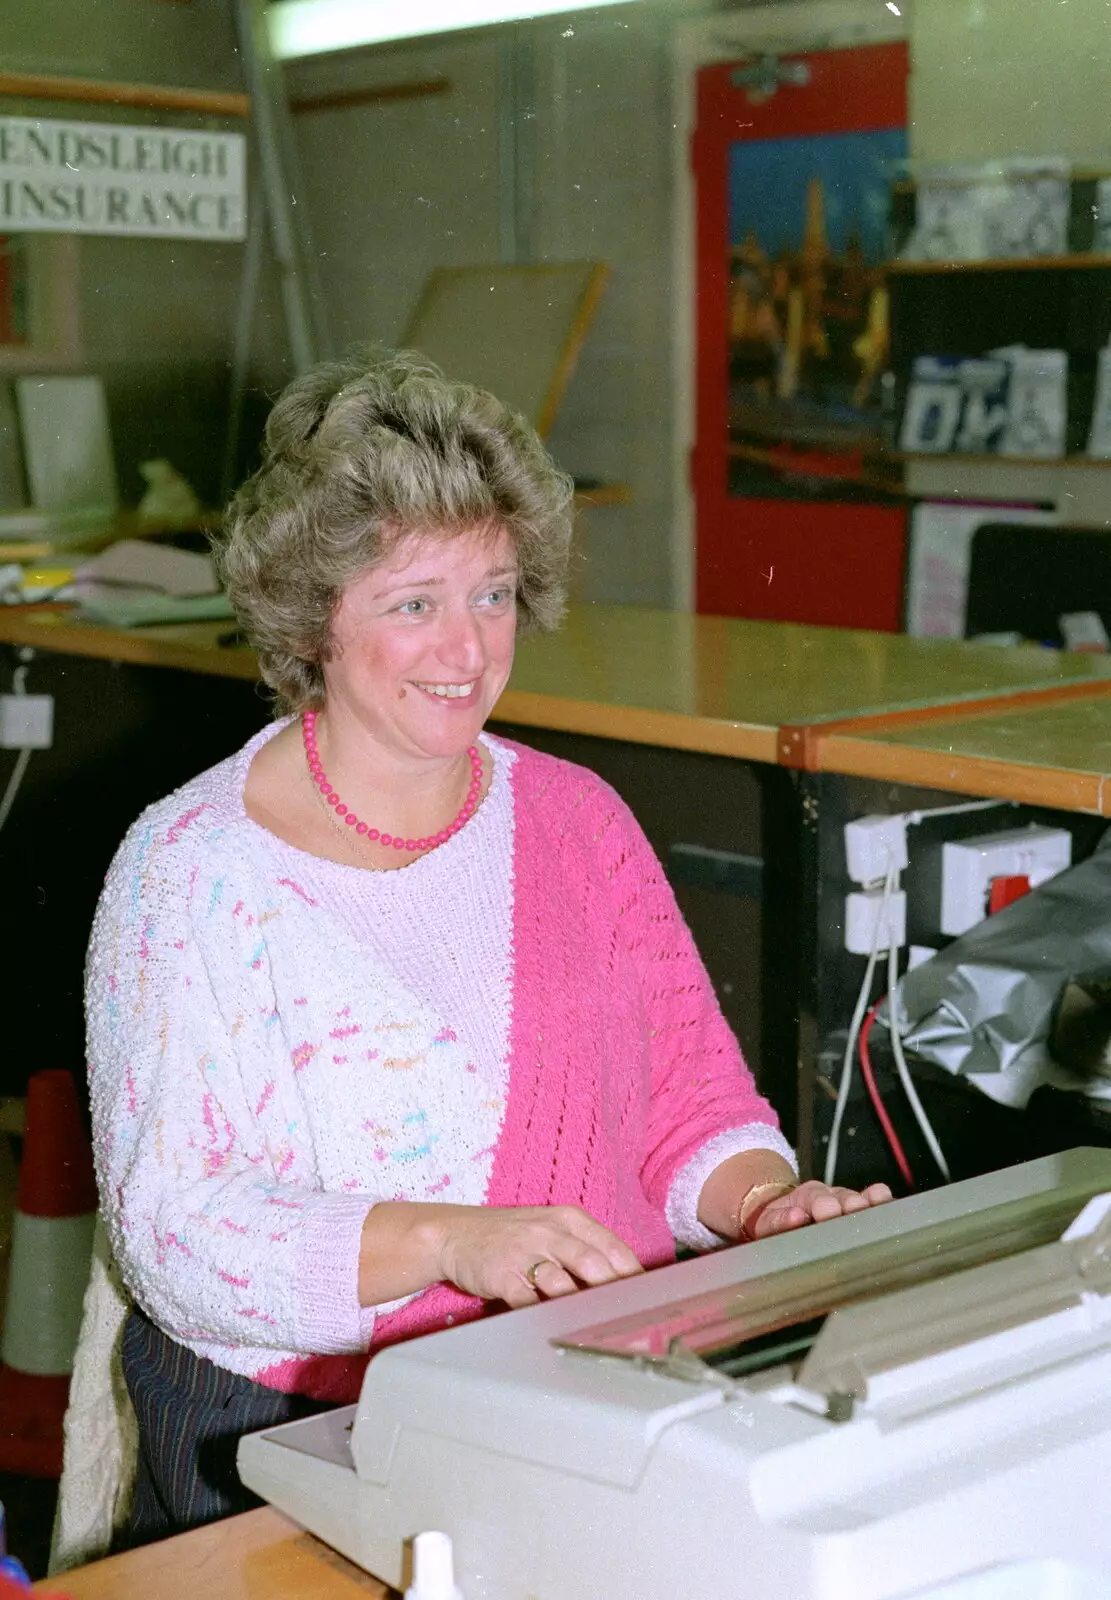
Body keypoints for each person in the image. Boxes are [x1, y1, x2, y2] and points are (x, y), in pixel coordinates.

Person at [76, 349, 890, 1554]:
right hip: (276, 1434)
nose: (466, 648)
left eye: (494, 594)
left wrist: (767, 1204)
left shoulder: (575, 818)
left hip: (560, 1402)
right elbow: (178, 1229)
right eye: (414, 602)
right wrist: (454, 1236)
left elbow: (686, 1106)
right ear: (313, 617)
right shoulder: (191, 873)